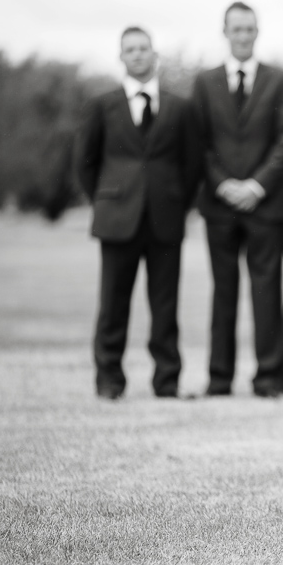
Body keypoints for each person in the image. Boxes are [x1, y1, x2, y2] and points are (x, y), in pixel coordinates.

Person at [76, 27, 201, 400]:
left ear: (154, 54)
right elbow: (85, 162)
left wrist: (180, 201)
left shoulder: (180, 107)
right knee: (113, 304)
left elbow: (192, 164)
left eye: (144, 48)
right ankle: (109, 380)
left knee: (165, 306)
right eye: (130, 49)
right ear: (121, 57)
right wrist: (107, 199)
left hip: (166, 218)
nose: (138, 55)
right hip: (117, 219)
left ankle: (166, 380)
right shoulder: (101, 106)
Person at [191, 2, 283, 398]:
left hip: (266, 205)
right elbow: (198, 141)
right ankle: (219, 378)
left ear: (258, 31)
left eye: (250, 28)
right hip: (219, 206)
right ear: (225, 32)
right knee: (224, 292)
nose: (243, 35)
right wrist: (222, 184)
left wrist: (257, 185)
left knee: (267, 292)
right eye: (236, 29)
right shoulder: (204, 82)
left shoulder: (280, 81)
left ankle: (268, 377)